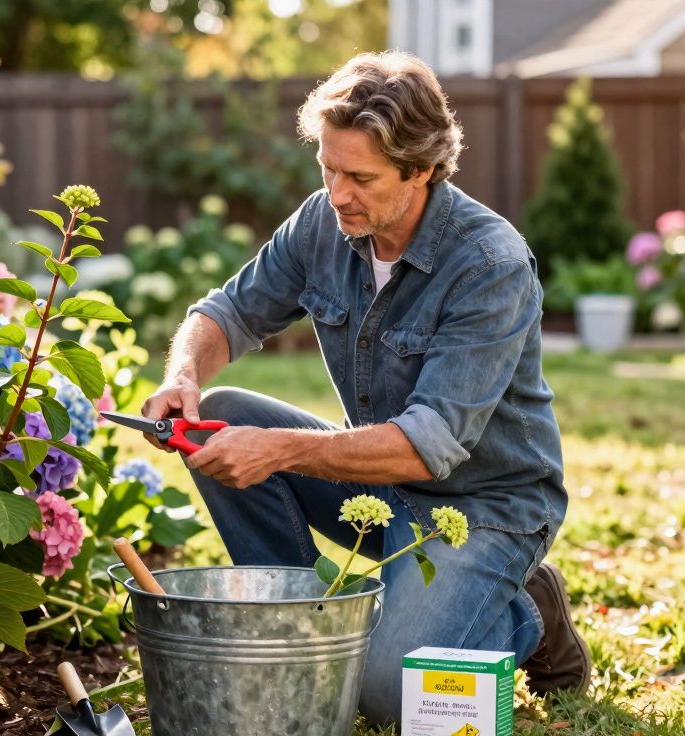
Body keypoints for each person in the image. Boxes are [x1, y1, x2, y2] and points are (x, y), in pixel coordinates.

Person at [139, 50, 590, 726]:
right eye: (327, 167)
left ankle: (526, 611)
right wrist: (183, 376)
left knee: (386, 697)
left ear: (423, 169)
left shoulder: (489, 265)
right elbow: (227, 312)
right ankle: (304, 630)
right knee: (222, 415)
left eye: (360, 177)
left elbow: (427, 446)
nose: (338, 192)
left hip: (485, 504)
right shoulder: (324, 219)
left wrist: (278, 449)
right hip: (383, 488)